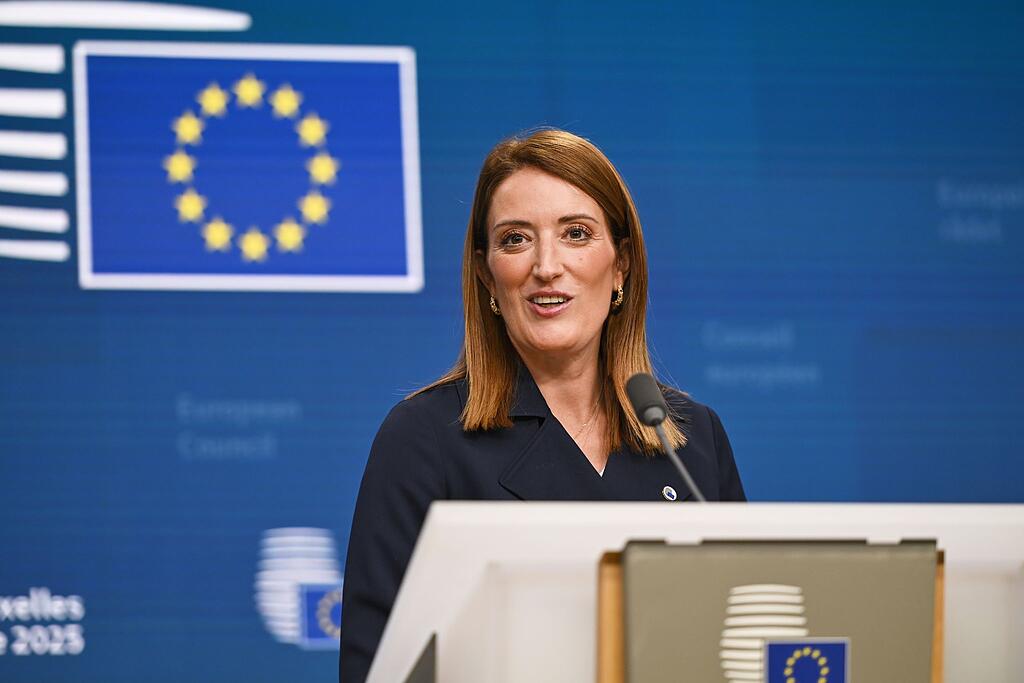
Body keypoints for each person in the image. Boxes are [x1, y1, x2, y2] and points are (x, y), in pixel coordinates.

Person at [339, 129, 745, 681]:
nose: (546, 266)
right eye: (515, 240)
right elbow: (377, 669)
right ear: (487, 275)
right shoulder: (423, 438)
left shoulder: (692, 439)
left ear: (621, 265)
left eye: (576, 233)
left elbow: (741, 641)